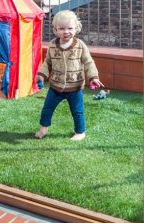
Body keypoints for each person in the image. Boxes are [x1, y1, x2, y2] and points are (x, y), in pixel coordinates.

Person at [34, 10, 103, 141]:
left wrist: (93, 77)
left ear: (76, 28)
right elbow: (48, 62)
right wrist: (41, 75)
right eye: (62, 28)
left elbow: (88, 62)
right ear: (55, 30)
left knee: (77, 111)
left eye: (70, 28)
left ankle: (80, 132)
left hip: (75, 87)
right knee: (47, 108)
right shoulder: (53, 45)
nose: (66, 31)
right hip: (55, 86)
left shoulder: (80, 45)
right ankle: (43, 128)